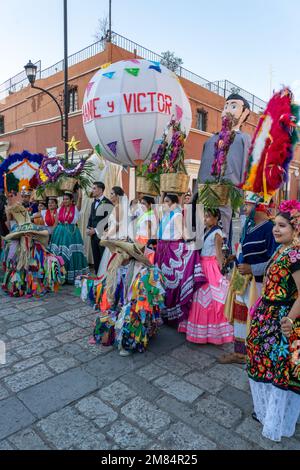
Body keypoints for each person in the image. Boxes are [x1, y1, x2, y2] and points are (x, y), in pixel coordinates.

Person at [247, 200, 300, 442]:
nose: (276, 230)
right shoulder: (281, 250)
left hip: (280, 320)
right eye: (275, 225)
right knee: (263, 362)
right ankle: (268, 412)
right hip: (266, 315)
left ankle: (275, 418)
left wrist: (289, 318)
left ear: (295, 229)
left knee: (277, 368)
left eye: (282, 226)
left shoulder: (296, 255)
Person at [220, 192, 278, 364]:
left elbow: (274, 260)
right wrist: (234, 259)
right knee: (239, 314)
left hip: (256, 283)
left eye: (248, 205)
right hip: (241, 278)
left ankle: (253, 354)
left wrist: (252, 269)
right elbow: (245, 252)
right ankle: (239, 353)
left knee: (252, 317)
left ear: (259, 207)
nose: (244, 208)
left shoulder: (270, 229)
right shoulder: (249, 226)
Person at [82, 240, 165, 356]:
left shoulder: (142, 269)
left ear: (128, 254)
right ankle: (110, 334)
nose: (116, 253)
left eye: (119, 251)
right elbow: (106, 285)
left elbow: (145, 295)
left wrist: (131, 305)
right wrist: (88, 282)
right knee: (104, 321)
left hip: (135, 308)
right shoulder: (115, 266)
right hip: (119, 304)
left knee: (129, 321)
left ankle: (128, 343)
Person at [196, 94, 251, 242]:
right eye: (225, 106)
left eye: (233, 107)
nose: (227, 111)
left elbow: (248, 170)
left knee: (224, 234)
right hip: (206, 196)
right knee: (203, 233)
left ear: (245, 113)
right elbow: (202, 171)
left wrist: (240, 197)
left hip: (228, 197)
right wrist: (197, 195)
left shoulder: (244, 139)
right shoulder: (210, 141)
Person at [179, 208, 232, 344]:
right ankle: (198, 331)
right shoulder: (206, 230)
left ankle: (212, 333)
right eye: (205, 216)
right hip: (201, 265)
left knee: (211, 299)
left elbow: (219, 254)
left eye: (208, 216)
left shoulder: (218, 233)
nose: (206, 219)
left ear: (216, 218)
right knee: (198, 297)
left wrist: (221, 271)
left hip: (211, 267)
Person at [155, 193, 206, 326]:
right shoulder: (167, 215)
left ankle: (172, 315)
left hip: (171, 251)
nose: (164, 204)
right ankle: (163, 311)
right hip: (162, 251)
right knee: (162, 281)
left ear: (173, 203)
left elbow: (184, 233)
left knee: (171, 281)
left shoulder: (177, 215)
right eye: (164, 201)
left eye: (166, 201)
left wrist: (192, 242)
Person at [2, 193, 65, 297]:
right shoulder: (17, 228)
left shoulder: (33, 227)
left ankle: (34, 287)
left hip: (32, 250)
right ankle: (22, 287)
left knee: (34, 267)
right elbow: (9, 235)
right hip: (22, 251)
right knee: (20, 268)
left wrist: (35, 234)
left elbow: (44, 233)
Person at [49, 189, 88, 284]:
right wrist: (51, 234)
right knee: (60, 254)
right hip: (60, 233)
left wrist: (79, 191)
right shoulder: (59, 209)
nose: (65, 201)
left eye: (67, 199)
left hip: (72, 233)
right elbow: (56, 222)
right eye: (64, 199)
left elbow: (80, 198)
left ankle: (73, 276)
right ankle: (61, 275)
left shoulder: (76, 208)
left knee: (72, 254)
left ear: (71, 200)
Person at [96, 186, 129, 278]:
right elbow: (113, 223)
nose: (110, 196)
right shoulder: (116, 207)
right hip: (113, 234)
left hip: (116, 236)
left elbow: (118, 225)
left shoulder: (119, 208)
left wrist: (108, 235)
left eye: (112, 194)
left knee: (113, 259)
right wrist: (106, 230)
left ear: (117, 196)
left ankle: (113, 279)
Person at [87, 182, 113, 274]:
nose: (92, 190)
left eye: (94, 188)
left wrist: (96, 230)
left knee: (103, 257)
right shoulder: (93, 203)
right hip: (93, 236)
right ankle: (97, 276)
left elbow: (108, 220)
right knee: (96, 257)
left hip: (103, 235)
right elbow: (91, 217)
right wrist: (88, 228)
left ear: (101, 190)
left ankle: (104, 277)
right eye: (92, 188)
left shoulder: (108, 203)